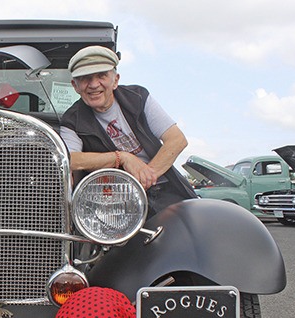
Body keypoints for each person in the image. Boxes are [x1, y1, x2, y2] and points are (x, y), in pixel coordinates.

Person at [60, 45, 196, 217]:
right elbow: (69, 159)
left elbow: (176, 140)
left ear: (115, 80)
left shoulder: (138, 97)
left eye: (101, 76)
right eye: (85, 78)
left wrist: (147, 176)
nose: (94, 84)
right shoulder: (71, 119)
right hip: (114, 202)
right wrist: (121, 157)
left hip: (164, 188)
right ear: (75, 85)